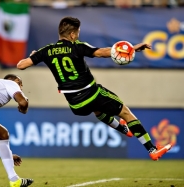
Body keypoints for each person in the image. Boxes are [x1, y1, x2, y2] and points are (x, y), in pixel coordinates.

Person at [17, 16, 172, 161]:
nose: (77, 36)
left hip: (75, 105)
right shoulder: (77, 47)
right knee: (125, 112)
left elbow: (21, 65)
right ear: (72, 34)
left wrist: (36, 55)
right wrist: (130, 49)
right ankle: (152, 149)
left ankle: (125, 131)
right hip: (91, 93)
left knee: (98, 110)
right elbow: (102, 53)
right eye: (77, 33)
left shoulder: (47, 50)